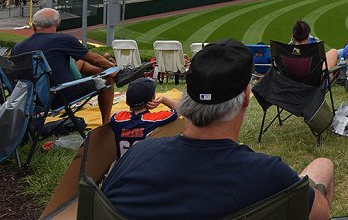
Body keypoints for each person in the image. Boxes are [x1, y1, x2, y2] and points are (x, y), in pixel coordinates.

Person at [102, 39, 335, 220]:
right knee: (323, 166)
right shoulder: (269, 175)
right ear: (246, 98)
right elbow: (320, 213)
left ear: (186, 98)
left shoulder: (136, 157)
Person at [12, 8, 116, 124]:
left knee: (83, 64)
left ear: (33, 25)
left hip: (29, 100)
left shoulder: (18, 47)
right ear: (58, 23)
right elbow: (95, 60)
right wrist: (114, 67)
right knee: (107, 79)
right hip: (59, 96)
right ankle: (106, 123)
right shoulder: (63, 39)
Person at [110, 77, 178, 157]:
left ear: (127, 103)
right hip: (145, 166)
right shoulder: (156, 118)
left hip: (123, 166)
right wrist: (163, 99)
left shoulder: (117, 118)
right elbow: (181, 108)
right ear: (153, 99)